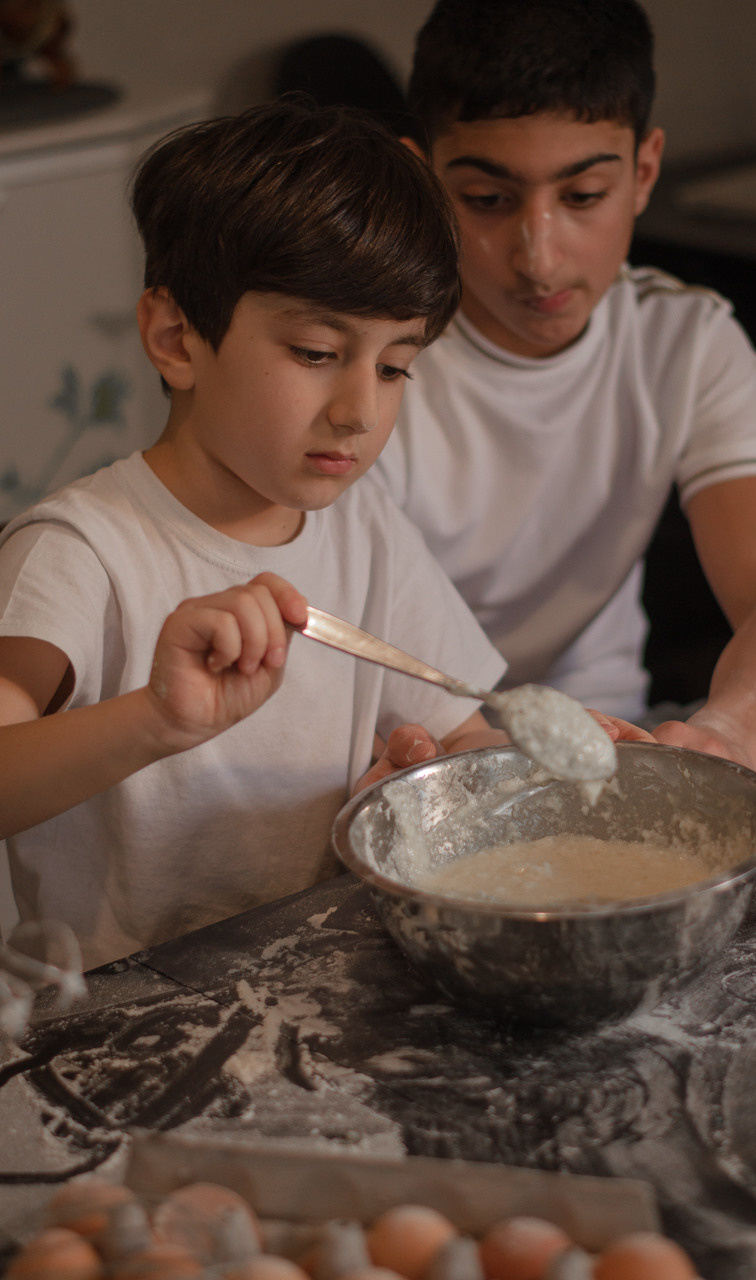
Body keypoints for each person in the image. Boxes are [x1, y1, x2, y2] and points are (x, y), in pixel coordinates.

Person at [0, 98, 522, 971]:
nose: (360, 409)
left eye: (395, 366)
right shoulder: (80, 551)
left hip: (320, 987)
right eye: (317, 352)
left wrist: (460, 775)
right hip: (119, 1034)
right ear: (176, 339)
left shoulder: (364, 531)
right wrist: (156, 720)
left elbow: (462, 732)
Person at [374, 0, 756, 773]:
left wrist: (729, 733)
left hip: (616, 730)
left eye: (583, 196)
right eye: (488, 201)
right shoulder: (368, 365)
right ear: (421, 175)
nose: (540, 258)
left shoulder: (682, 344)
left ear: (644, 171)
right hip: (411, 749)